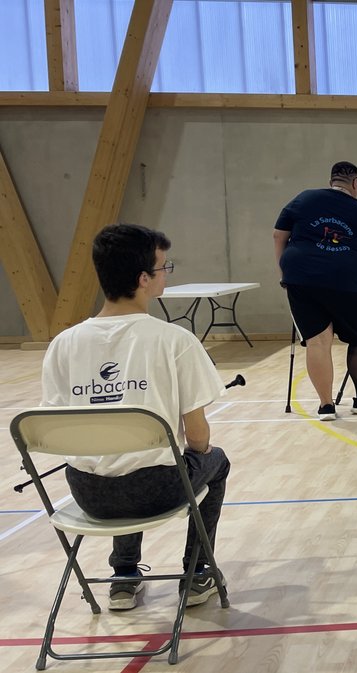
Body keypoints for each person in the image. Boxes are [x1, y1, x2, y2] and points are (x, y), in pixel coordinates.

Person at [41, 224, 230, 611]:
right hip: (156, 491)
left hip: (88, 492)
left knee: (115, 456)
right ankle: (196, 576)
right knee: (216, 460)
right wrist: (202, 449)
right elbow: (196, 437)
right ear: (144, 279)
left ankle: (124, 576)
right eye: (164, 267)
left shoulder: (63, 344)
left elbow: (58, 427)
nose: (166, 273)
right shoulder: (175, 341)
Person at [274, 161, 357, 421]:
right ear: (355, 184)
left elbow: (278, 235)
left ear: (331, 181)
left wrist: (284, 272)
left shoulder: (304, 198)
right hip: (347, 281)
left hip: (301, 278)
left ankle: (326, 405)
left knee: (317, 342)